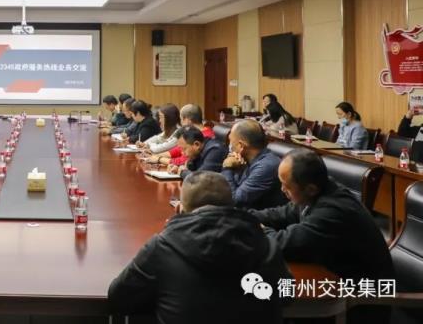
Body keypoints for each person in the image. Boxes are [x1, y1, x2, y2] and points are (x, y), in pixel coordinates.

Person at [108, 171, 288, 324]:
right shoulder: (267, 245)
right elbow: (287, 296)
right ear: (232, 206)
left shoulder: (162, 246)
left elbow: (119, 298)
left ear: (180, 209)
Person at [250, 149, 393, 324]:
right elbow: (281, 214)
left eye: (286, 186)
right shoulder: (317, 190)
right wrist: (243, 216)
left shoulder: (333, 210)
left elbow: (284, 244)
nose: (282, 190)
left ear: (311, 189)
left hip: (361, 302)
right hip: (332, 281)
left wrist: (261, 230)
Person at [222, 120, 285, 209]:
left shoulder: (266, 166)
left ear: (241, 146)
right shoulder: (245, 160)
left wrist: (227, 168)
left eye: (230, 141)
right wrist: (235, 169)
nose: (229, 145)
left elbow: (234, 200)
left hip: (259, 216)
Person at [150, 104, 214, 167]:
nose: (181, 124)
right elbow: (178, 150)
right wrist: (156, 156)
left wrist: (159, 159)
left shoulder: (205, 137)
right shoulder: (195, 133)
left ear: (187, 120)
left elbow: (184, 161)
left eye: (181, 119)